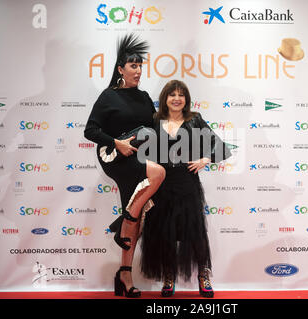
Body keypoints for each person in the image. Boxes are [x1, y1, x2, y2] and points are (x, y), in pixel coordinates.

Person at [84, 34, 165, 298]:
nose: (138, 71)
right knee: (158, 175)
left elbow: (154, 132)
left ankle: (124, 277)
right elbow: (90, 130)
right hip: (114, 158)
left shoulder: (143, 97)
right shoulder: (108, 96)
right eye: (133, 66)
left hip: (138, 158)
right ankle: (123, 221)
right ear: (121, 69)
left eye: (141, 66)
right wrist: (116, 143)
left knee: (137, 216)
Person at [140, 80, 231, 298]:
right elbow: (142, 152)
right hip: (161, 185)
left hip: (187, 183)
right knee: (165, 233)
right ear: (165, 98)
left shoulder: (195, 119)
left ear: (186, 100)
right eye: (172, 94)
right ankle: (169, 277)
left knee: (194, 233)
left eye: (181, 94)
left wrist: (205, 159)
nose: (177, 98)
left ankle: (203, 275)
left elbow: (220, 146)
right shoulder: (154, 121)